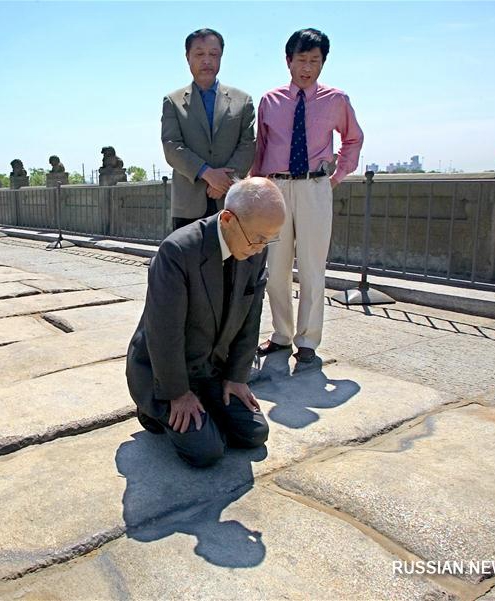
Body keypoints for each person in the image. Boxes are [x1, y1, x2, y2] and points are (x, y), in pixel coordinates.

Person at [126, 177, 286, 467]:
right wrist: (177, 394)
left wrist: (237, 377)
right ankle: (153, 411)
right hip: (168, 373)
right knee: (206, 451)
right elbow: (164, 333)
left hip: (212, 370)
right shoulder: (177, 252)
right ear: (227, 219)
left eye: (269, 239)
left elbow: (251, 319)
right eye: (258, 238)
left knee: (253, 434)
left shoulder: (253, 251)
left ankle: (207, 410)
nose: (262, 248)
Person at [251, 28, 364, 363]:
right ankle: (282, 335)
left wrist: (338, 174)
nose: (307, 67)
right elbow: (261, 149)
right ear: (288, 61)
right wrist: (254, 190)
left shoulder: (336, 100)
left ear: (323, 62)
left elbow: (353, 139)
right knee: (277, 267)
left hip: (315, 187)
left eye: (315, 60)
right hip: (276, 188)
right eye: (301, 60)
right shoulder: (270, 101)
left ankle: (309, 342)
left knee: (314, 268)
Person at [162, 28, 256, 232]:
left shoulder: (243, 100)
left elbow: (248, 145)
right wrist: (206, 173)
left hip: (232, 203)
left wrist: (224, 181)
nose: (207, 60)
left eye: (213, 54)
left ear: (221, 57)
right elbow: (171, 146)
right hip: (188, 206)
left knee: (233, 263)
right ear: (188, 58)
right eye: (199, 54)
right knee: (189, 263)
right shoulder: (173, 101)